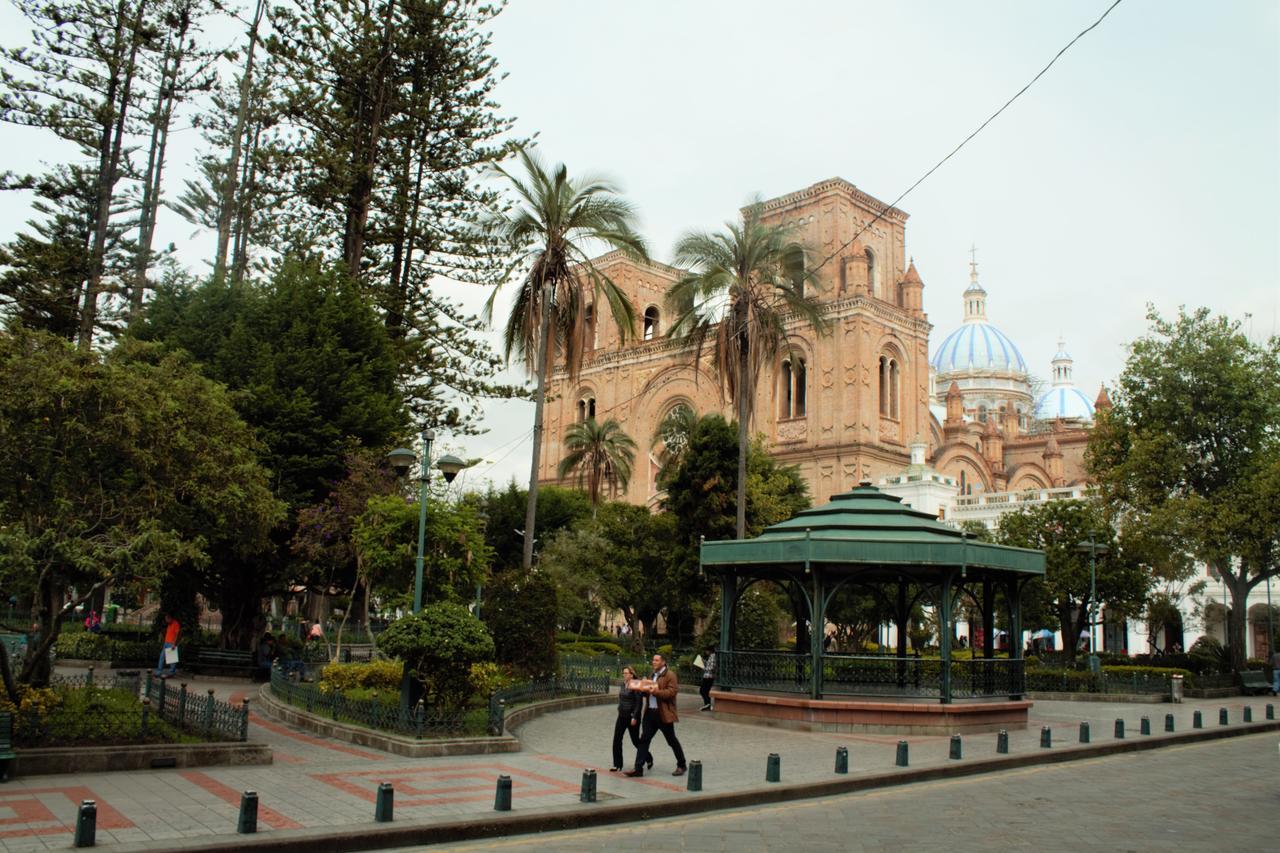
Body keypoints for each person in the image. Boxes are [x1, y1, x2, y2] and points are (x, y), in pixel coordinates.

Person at [625, 653, 687, 778]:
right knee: (644, 740)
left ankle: (682, 764)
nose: (653, 662)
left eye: (656, 660)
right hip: (650, 713)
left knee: (671, 740)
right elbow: (648, 692)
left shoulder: (670, 675)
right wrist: (641, 689)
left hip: (663, 713)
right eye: (653, 660)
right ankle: (638, 768)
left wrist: (656, 692)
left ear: (663, 662)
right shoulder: (652, 675)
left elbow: (672, 692)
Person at [610, 666, 646, 772]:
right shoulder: (623, 684)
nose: (624, 675)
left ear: (631, 674)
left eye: (626, 673)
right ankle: (617, 764)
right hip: (621, 715)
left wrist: (634, 716)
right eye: (623, 673)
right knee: (617, 740)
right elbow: (622, 698)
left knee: (635, 741)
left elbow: (639, 703)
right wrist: (619, 708)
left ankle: (648, 757)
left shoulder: (635, 684)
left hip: (631, 717)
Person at [698, 647, 717, 711]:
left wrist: (704, 668)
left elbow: (711, 667)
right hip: (707, 676)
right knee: (705, 691)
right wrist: (703, 661)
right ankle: (707, 704)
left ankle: (707, 704)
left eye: (706, 651)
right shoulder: (711, 657)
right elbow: (709, 665)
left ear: (709, 651)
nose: (705, 652)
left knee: (703, 690)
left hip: (709, 676)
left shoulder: (712, 657)